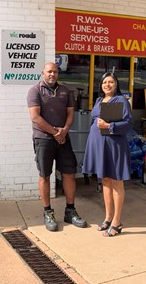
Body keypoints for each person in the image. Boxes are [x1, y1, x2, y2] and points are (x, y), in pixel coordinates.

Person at [27, 62, 87, 231]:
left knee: (69, 173)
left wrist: (65, 130)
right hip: (44, 139)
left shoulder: (64, 90)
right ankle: (48, 212)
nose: (52, 74)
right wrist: (55, 133)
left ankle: (70, 211)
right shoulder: (35, 91)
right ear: (43, 73)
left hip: (63, 138)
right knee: (45, 175)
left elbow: (70, 113)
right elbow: (35, 117)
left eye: (55, 71)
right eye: (49, 72)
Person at [83, 72, 134, 237]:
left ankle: (117, 222)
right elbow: (94, 121)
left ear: (116, 84)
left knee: (116, 182)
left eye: (111, 82)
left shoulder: (121, 101)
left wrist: (109, 126)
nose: (107, 85)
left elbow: (128, 123)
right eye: (105, 82)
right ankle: (108, 217)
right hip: (99, 145)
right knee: (104, 180)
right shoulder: (98, 101)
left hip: (114, 145)